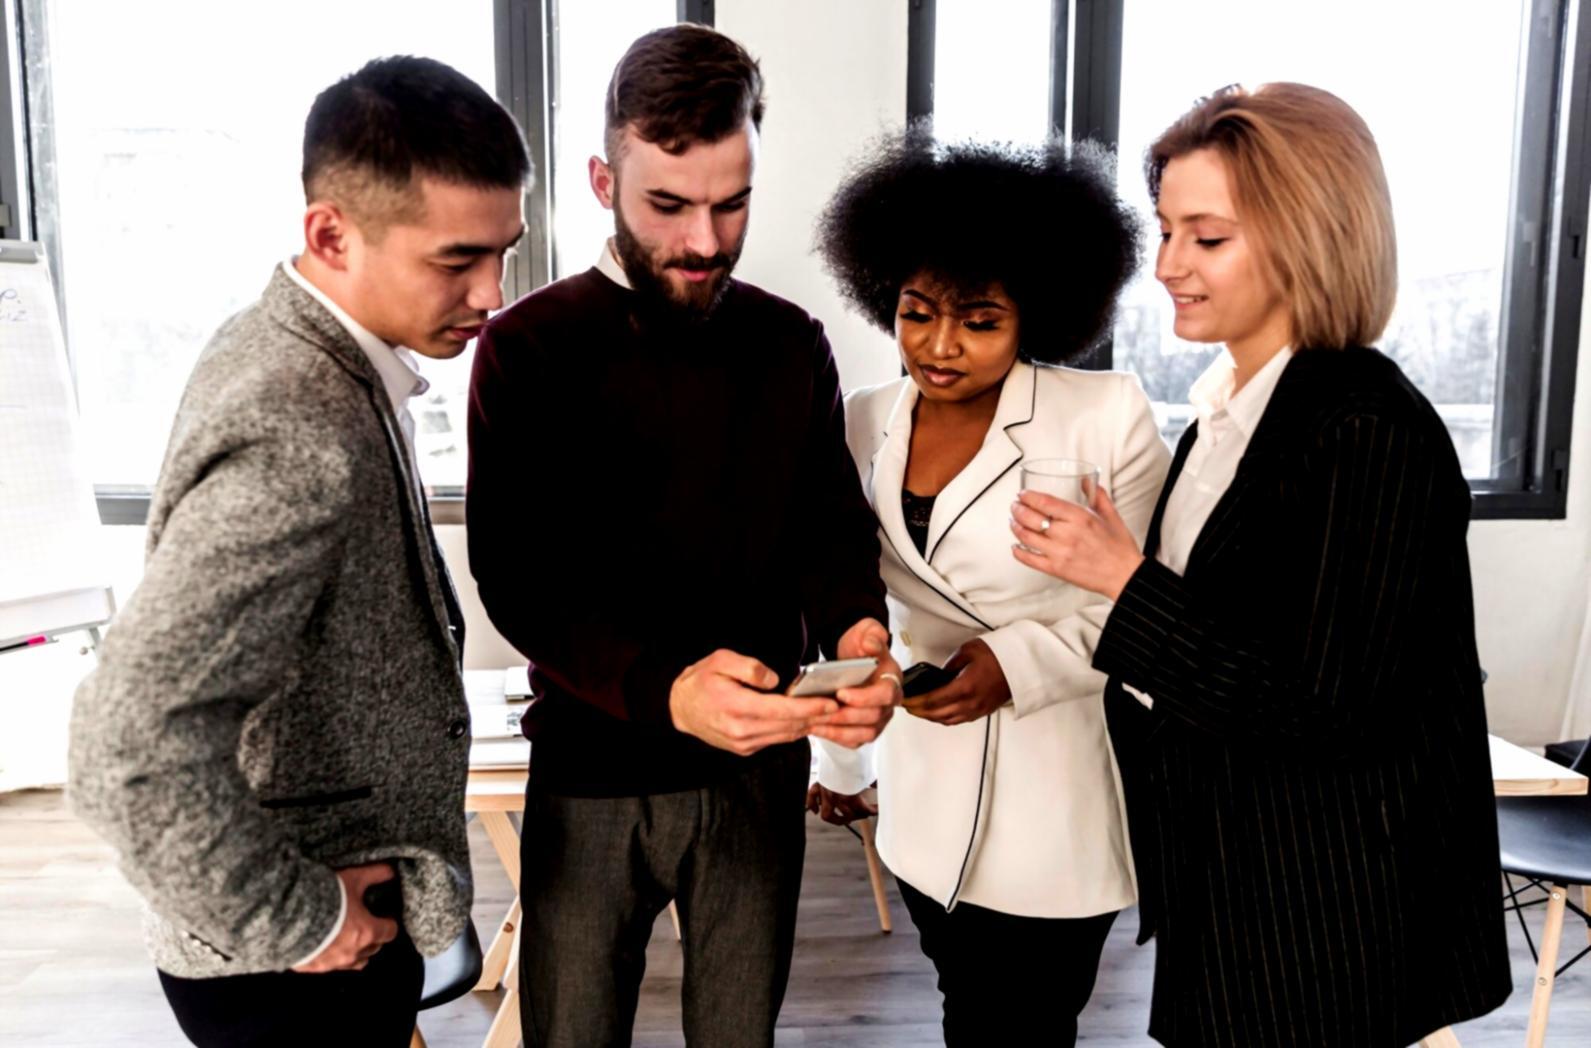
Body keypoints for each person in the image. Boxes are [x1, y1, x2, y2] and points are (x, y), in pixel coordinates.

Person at [1011, 82, 1513, 1046]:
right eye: (1166, 232)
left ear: (1306, 237)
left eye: (1206, 238)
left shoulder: (1366, 429)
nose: (1167, 265)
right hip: (1227, 889)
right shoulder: (1228, 415)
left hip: (1317, 921)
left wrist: (1123, 582)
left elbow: (1327, 708)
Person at [67, 57, 530, 1048]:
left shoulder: (314, 351)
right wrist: (300, 919)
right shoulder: (297, 422)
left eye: (504, 250)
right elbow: (125, 746)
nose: (493, 291)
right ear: (330, 234)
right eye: (457, 259)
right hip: (298, 963)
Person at [465, 24, 900, 1048]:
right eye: (668, 206)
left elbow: (830, 530)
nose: (705, 241)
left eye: (731, 202)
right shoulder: (526, 348)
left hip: (757, 777)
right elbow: (517, 577)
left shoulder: (790, 343)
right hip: (589, 775)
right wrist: (666, 691)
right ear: (601, 181)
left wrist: (859, 633)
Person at [806, 129, 1171, 1046]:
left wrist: (1015, 664)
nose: (938, 346)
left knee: (1024, 1024)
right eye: (915, 312)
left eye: (978, 321)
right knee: (963, 1005)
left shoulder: (1104, 415)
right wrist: (842, 766)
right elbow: (849, 595)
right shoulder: (862, 421)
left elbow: (1147, 606)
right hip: (923, 790)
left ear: (1033, 314)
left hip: (1058, 796)